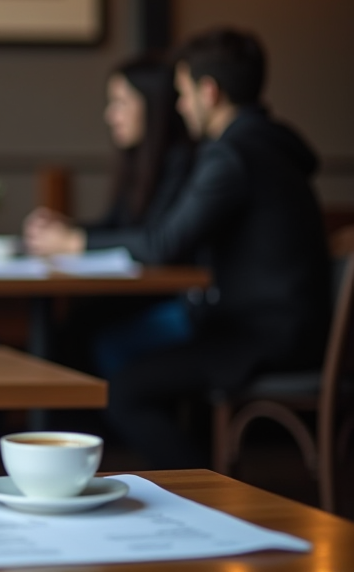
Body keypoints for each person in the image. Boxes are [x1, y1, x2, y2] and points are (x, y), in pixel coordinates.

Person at [70, 28, 327, 468]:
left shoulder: (230, 155)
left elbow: (163, 243)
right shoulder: (273, 142)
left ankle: (213, 495)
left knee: (126, 390)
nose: (180, 106)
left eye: (184, 93)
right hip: (294, 325)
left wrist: (77, 241)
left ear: (209, 92)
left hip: (262, 335)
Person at [23, 55, 196, 376]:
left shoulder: (183, 164)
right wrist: (65, 229)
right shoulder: (139, 162)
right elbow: (115, 226)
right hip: (141, 296)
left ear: (154, 106)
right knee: (75, 324)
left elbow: (157, 243)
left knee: (82, 330)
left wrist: (74, 242)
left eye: (120, 103)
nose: (110, 115)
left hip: (175, 302)